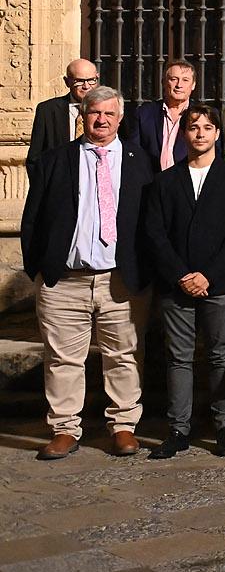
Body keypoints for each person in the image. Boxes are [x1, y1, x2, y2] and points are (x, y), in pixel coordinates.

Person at [22, 87, 151, 461]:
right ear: (83, 115)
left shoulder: (139, 161)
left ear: (120, 118)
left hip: (120, 280)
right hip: (65, 280)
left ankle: (124, 424)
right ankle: (64, 428)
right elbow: (34, 218)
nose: (102, 120)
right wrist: (40, 269)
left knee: (124, 355)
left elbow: (150, 221)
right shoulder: (55, 160)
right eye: (95, 113)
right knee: (62, 359)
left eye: (110, 114)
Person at [142, 105, 225, 459]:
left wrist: (208, 275)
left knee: (221, 355)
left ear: (218, 133)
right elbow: (154, 234)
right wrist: (181, 275)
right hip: (177, 284)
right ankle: (178, 429)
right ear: (183, 134)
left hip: (219, 284)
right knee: (179, 357)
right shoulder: (165, 181)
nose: (200, 133)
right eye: (193, 127)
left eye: (207, 127)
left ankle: (223, 426)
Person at [28, 58, 101, 184]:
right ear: (67, 82)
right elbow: (35, 158)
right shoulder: (47, 110)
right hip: (59, 187)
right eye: (79, 81)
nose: (86, 86)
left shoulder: (109, 110)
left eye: (91, 80)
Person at [131, 59, 197, 173]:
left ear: (193, 85)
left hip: (189, 184)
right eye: (173, 79)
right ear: (164, 82)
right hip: (152, 183)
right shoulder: (144, 114)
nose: (179, 85)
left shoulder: (202, 115)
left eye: (185, 80)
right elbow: (134, 153)